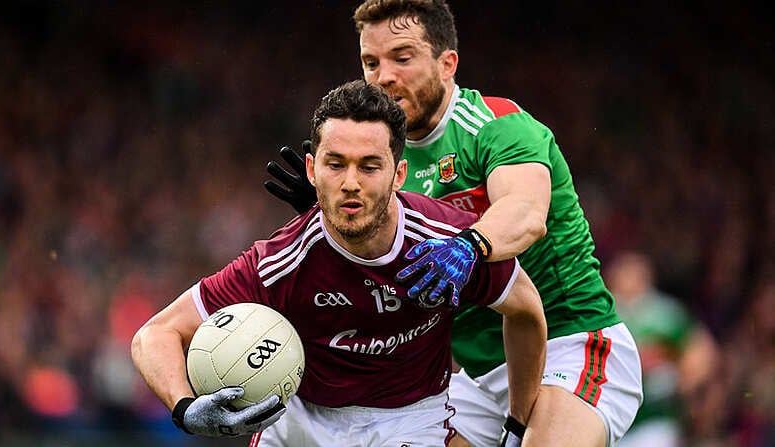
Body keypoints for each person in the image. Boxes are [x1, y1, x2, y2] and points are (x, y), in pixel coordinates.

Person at [264, 1, 643, 446]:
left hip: (572, 344)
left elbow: (525, 213)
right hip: (477, 379)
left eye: (401, 58)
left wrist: (470, 246)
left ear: (448, 63)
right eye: (371, 62)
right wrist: (339, 220)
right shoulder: (381, 162)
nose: (383, 76)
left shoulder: (496, 126)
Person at [132, 79, 547, 446]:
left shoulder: (447, 247)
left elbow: (527, 310)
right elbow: (155, 335)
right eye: (336, 164)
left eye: (369, 166)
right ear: (313, 169)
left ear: (399, 173)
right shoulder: (280, 262)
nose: (350, 182)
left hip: (410, 420)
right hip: (300, 420)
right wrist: (185, 409)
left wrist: (517, 420)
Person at [605, 250, 718, 447]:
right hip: (611, 417)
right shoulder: (603, 313)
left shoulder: (664, 314)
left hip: (654, 420)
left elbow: (702, 353)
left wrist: (679, 384)